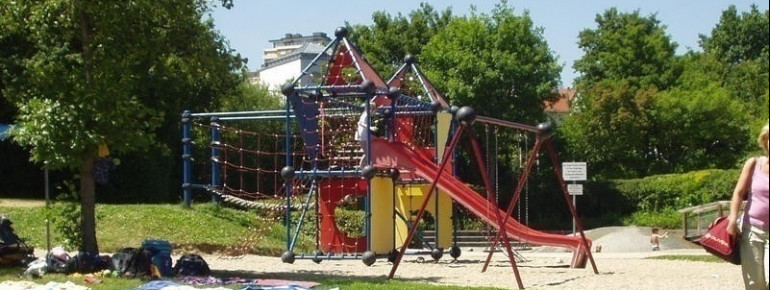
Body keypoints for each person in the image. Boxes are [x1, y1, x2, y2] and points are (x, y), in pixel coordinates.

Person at [727, 123, 769, 290]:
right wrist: (732, 219)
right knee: (755, 284)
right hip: (752, 230)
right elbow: (738, 193)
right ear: (765, 141)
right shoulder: (754, 164)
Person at [354, 103, 378, 168]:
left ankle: (363, 167)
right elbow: (360, 123)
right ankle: (362, 167)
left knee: (368, 153)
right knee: (368, 154)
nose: (375, 112)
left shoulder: (366, 114)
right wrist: (370, 128)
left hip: (365, 135)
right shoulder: (366, 114)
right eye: (375, 110)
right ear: (372, 109)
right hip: (362, 137)